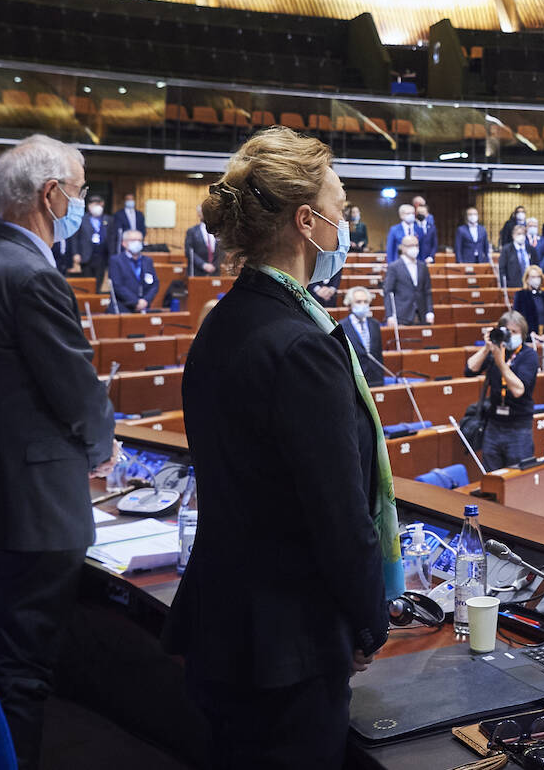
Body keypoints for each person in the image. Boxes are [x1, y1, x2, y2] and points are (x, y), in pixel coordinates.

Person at [163, 128, 397, 770]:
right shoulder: (303, 347)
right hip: (285, 652)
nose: (346, 226)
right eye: (342, 210)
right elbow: (338, 514)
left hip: (226, 626)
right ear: (306, 221)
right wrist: (368, 622)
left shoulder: (224, 320)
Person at [0, 133, 115, 767]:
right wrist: (103, 447)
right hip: (38, 507)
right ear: (53, 194)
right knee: (24, 672)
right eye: (81, 189)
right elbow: (75, 388)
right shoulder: (33, 275)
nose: (83, 202)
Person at [466, 312, 540, 471]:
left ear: (522, 334)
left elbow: (519, 390)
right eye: (506, 331)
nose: (510, 335)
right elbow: (470, 369)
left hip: (519, 428)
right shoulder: (495, 352)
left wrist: (500, 362)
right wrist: (487, 348)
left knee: (517, 479)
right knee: (492, 478)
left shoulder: (529, 356)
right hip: (493, 426)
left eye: (514, 332)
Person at [342, 286, 387, 387]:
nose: (363, 305)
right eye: (358, 302)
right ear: (349, 304)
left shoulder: (375, 324)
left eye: (365, 302)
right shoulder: (342, 326)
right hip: (354, 381)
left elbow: (378, 353)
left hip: (376, 379)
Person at [382, 236, 432, 326]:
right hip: (401, 314)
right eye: (411, 245)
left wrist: (430, 312)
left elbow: (427, 291)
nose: (415, 248)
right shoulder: (394, 267)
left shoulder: (423, 266)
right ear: (403, 247)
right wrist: (390, 315)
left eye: (417, 245)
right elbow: (388, 292)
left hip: (421, 314)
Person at [67, 193, 113, 286]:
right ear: (88, 206)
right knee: (87, 282)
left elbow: (112, 238)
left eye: (98, 204)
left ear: (102, 204)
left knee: (99, 281)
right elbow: (75, 238)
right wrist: (76, 253)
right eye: (93, 204)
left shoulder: (108, 219)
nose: (95, 206)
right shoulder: (82, 219)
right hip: (86, 255)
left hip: (102, 256)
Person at [109, 230, 160, 311]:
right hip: (123, 307)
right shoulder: (116, 260)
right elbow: (117, 286)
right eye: (133, 240)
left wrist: (145, 301)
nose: (137, 243)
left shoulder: (147, 261)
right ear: (124, 243)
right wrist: (136, 302)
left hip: (144, 306)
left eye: (139, 240)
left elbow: (155, 284)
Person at [512, 264, 544, 346]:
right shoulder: (521, 295)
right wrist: (531, 334)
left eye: (538, 277)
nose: (536, 279)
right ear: (527, 279)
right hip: (528, 338)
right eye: (533, 277)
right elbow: (518, 317)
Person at [499, 221, 541, 289]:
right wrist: (504, 286)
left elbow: (536, 266)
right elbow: (502, 269)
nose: (521, 236)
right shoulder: (506, 250)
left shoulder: (531, 249)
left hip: (530, 285)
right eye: (518, 234)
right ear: (513, 235)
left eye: (523, 234)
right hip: (513, 285)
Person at [412, 197, 438, 261]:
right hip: (415, 258)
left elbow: (434, 244)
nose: (420, 214)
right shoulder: (412, 226)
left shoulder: (432, 227)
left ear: (427, 214)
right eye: (419, 213)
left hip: (428, 258)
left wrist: (431, 257)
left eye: (422, 212)